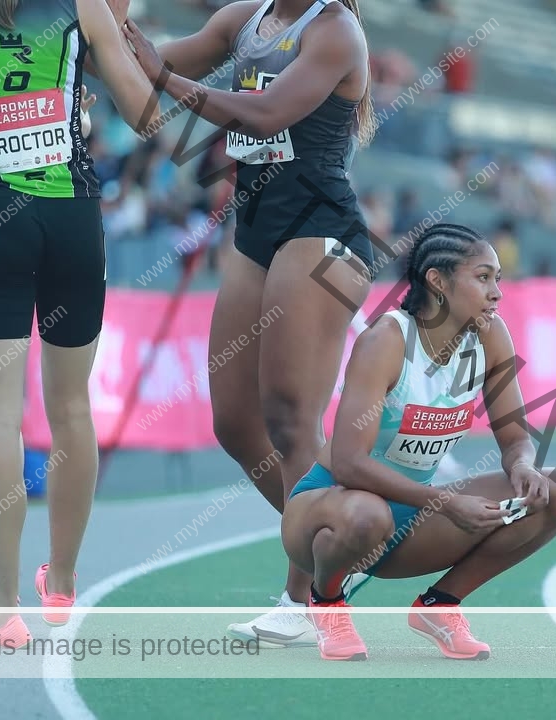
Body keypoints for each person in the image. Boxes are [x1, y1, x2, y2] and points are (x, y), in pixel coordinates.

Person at [120, 0, 378, 646]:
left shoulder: (335, 30)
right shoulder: (244, 17)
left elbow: (264, 113)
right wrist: (93, 32)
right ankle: (337, 531)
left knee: (291, 419)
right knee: (235, 422)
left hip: (320, 233)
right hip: (257, 230)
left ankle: (309, 599)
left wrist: (166, 81)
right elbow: (150, 56)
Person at [0, 0, 159, 643]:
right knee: (71, 409)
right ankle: (60, 585)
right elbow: (148, 116)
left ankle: (2, 611)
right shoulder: (83, 5)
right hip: (72, 223)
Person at [282, 223, 556, 661]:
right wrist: (443, 501)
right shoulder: (386, 340)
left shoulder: (490, 336)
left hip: (412, 518)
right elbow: (347, 463)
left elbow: (515, 436)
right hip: (331, 510)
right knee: (367, 513)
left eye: (497, 278)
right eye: (483, 277)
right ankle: (325, 603)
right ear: (437, 281)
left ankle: (440, 606)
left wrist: (522, 467)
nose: (497, 291)